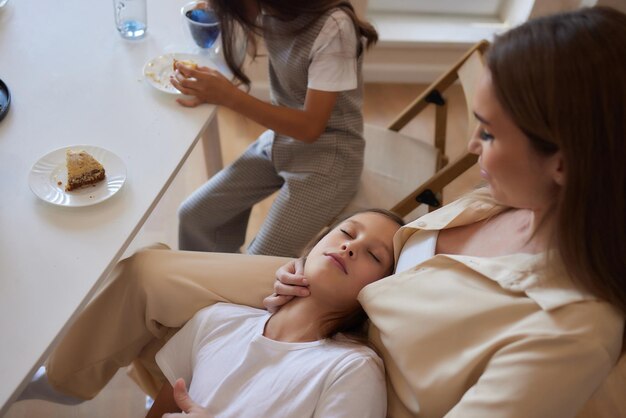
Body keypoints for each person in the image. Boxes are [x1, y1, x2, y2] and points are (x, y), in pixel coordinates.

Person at [18, 6, 626, 418]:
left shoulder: (568, 332)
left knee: (183, 305)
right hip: (363, 292)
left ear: (564, 163)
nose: (470, 149)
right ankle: (67, 380)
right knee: (147, 272)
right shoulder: (516, 199)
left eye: (489, 134)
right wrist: (319, 271)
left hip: (376, 363)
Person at [144, 209, 402, 417]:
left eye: (373, 255)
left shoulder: (353, 370)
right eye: (347, 231)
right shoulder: (214, 319)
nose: (349, 247)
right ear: (316, 243)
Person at [173, 0, 378, 257]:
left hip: (330, 160)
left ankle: (234, 291)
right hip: (282, 141)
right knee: (195, 217)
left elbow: (310, 128)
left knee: (257, 263)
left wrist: (228, 96)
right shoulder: (272, 9)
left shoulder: (334, 29)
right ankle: (215, 288)